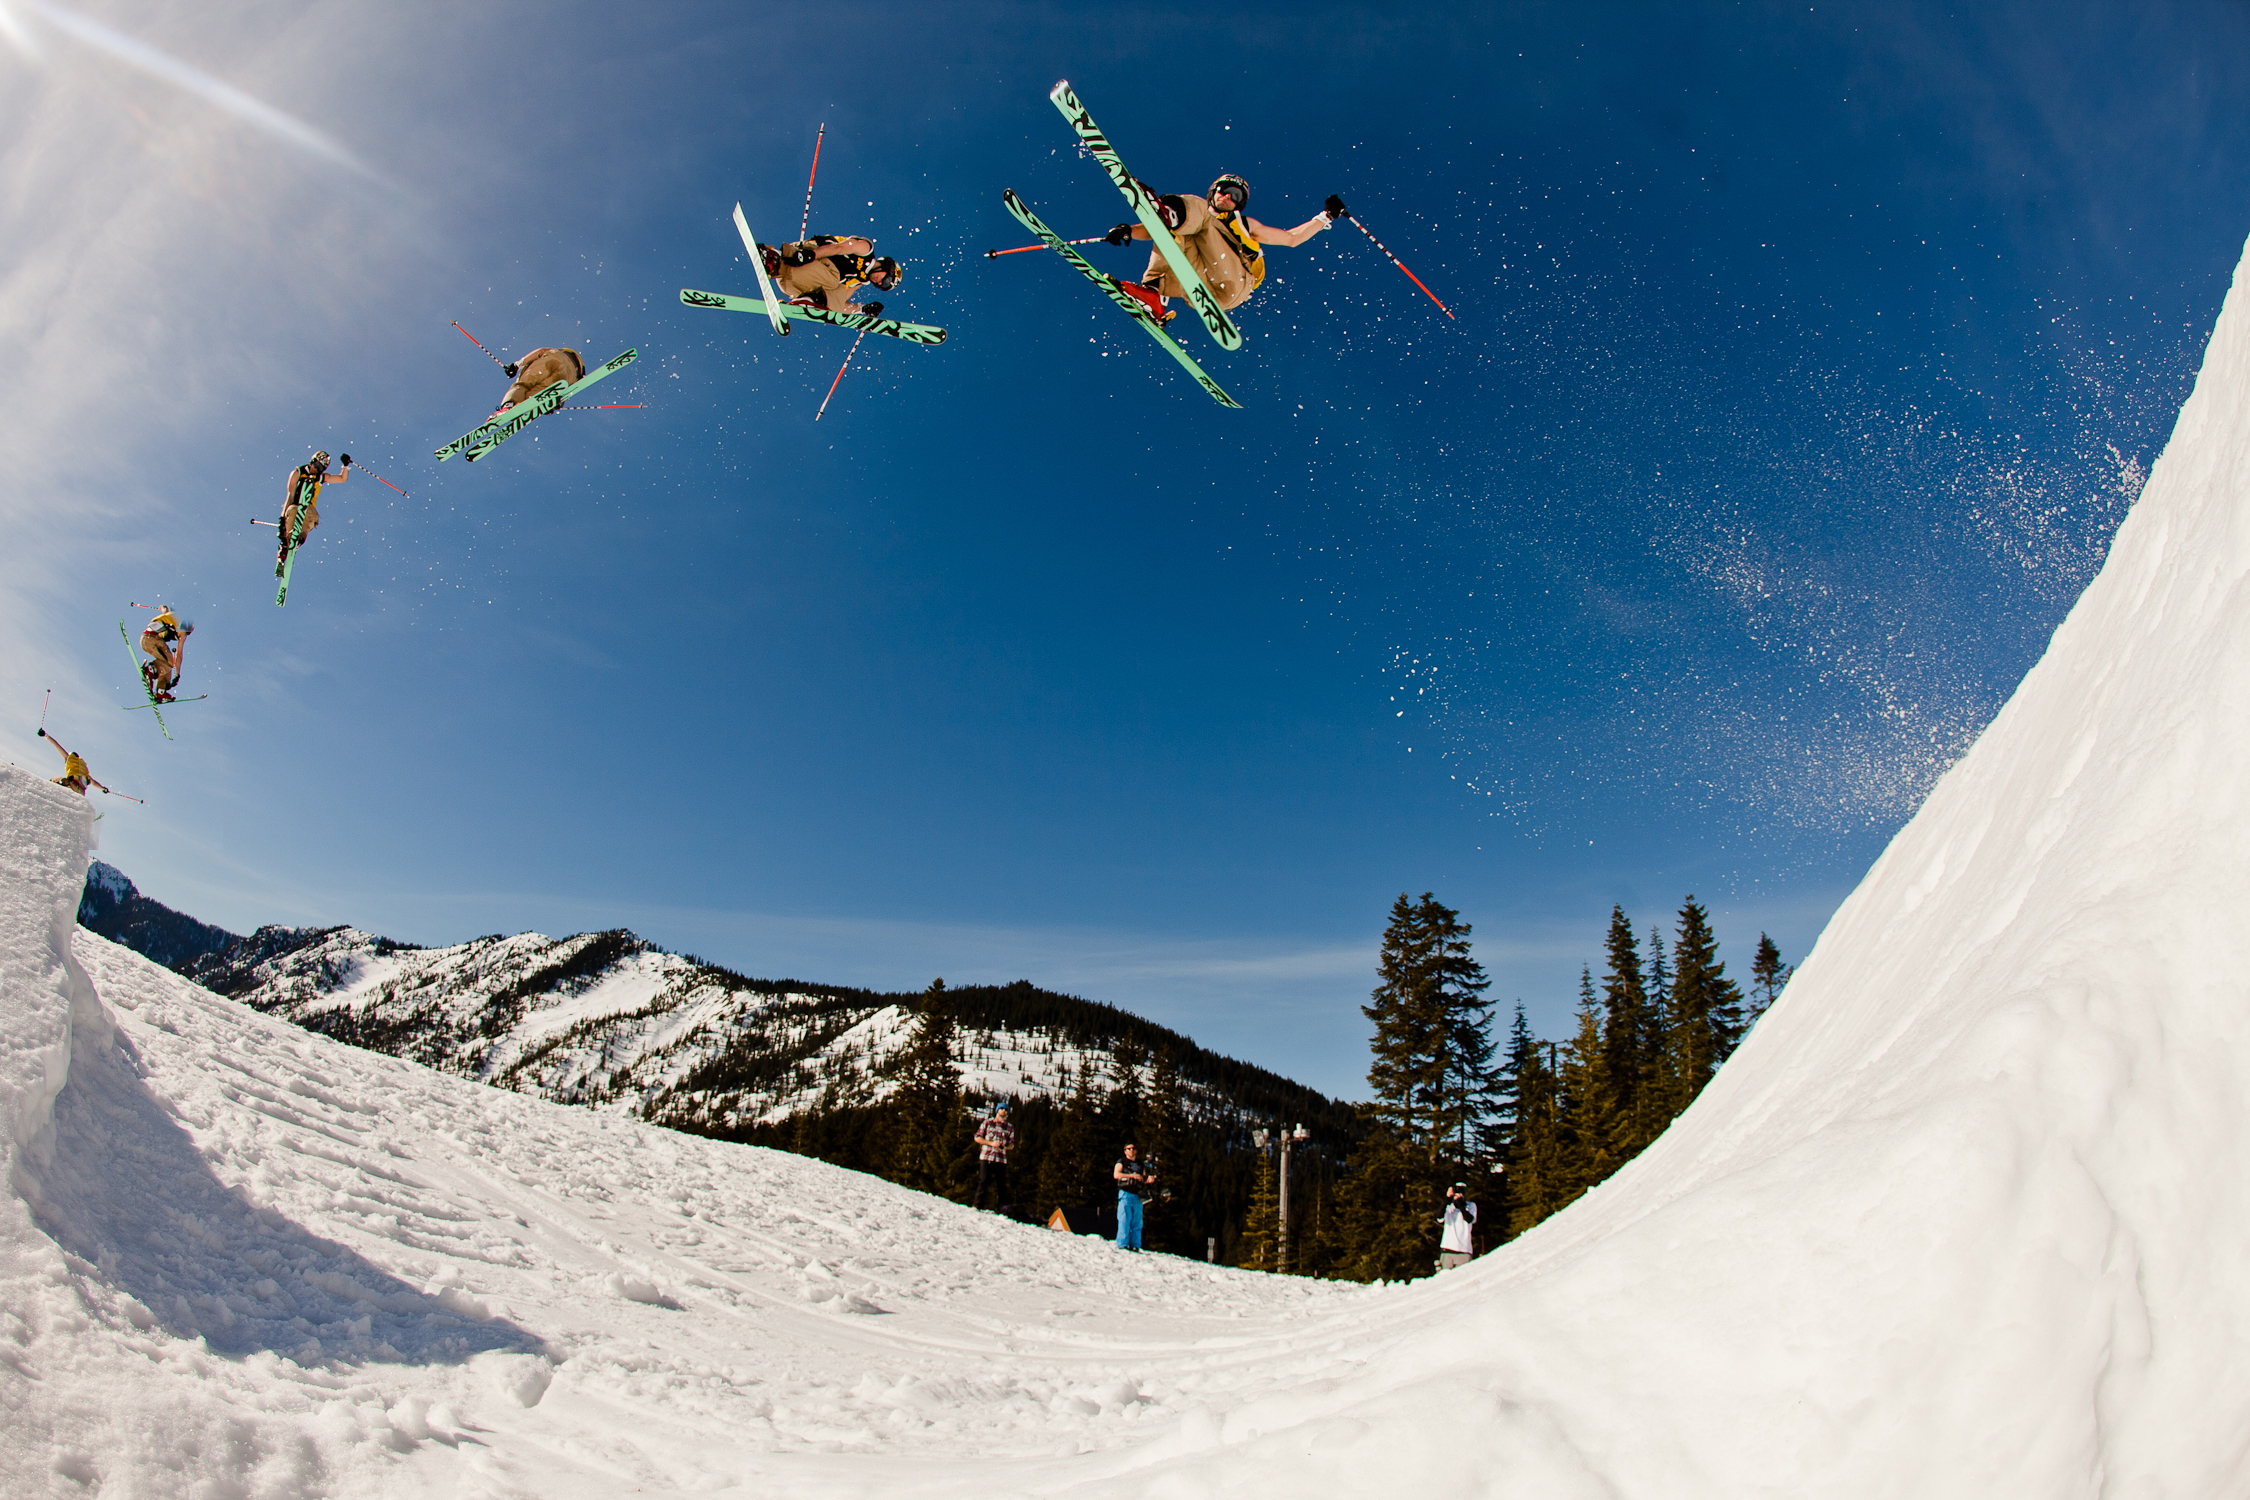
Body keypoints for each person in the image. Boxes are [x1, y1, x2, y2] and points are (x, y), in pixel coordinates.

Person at [1102, 177, 1347, 322]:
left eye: (1236, 196)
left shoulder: (1242, 225)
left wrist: (1325, 216)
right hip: (1201, 288)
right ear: (1214, 191)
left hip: (1235, 281)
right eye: (1225, 190)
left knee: (1199, 218)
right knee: (1168, 231)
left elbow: (1291, 238)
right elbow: (1158, 231)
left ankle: (1168, 211)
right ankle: (1153, 296)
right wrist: (1129, 231)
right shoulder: (1192, 223)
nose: (1229, 197)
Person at [762, 235, 903, 317]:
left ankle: (807, 301)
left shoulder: (858, 281)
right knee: (837, 285)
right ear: (887, 267)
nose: (879, 283)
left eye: (883, 287)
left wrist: (862, 309)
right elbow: (839, 248)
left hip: (795, 280)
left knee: (838, 296)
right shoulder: (866, 250)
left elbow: (838, 303)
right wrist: (810, 255)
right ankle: (774, 258)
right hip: (808, 254)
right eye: (886, 280)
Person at [278, 450, 349, 566]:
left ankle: (297, 540)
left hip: (310, 510)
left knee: (310, 521)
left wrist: (345, 466)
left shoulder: (321, 477)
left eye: (321, 468)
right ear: (312, 461)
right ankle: (286, 545)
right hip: (295, 507)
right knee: (292, 512)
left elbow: (342, 479)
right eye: (316, 466)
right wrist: (282, 519)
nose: (317, 470)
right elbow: (290, 496)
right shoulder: (298, 473)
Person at [497, 349, 585, 412]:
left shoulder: (556, 351)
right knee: (534, 397)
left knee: (523, 385)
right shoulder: (578, 377)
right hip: (571, 376)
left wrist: (517, 364)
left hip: (554, 357)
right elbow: (565, 390)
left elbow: (540, 351)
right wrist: (554, 403)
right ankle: (541, 402)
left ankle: (509, 405)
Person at [136, 605, 191, 702]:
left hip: (145, 640)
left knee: (166, 664)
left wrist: (163, 609)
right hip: (152, 639)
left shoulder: (173, 616)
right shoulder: (183, 629)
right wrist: (177, 674)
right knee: (170, 662)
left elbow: (165, 611)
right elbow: (179, 655)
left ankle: (161, 691)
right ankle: (150, 670)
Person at [38, 729, 109, 796]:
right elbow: (94, 783)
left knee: (56, 779)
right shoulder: (86, 775)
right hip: (81, 792)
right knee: (69, 784)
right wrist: (103, 788)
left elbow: (57, 745)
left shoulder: (69, 758)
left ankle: (59, 785)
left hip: (72, 784)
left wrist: (46, 735)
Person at [972, 1103, 1015, 1211]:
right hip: (987, 1156)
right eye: (1001, 1109)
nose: (1004, 1111)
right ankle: (978, 1205)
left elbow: (1012, 1144)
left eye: (1006, 1109)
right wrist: (991, 1143)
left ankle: (1004, 1207)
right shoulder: (988, 1123)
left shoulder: (1009, 1127)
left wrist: (1004, 1147)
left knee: (1001, 1183)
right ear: (997, 1110)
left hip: (1001, 1158)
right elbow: (977, 1137)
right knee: (983, 1180)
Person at [1113, 1142, 1155, 1252]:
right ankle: (1123, 1244)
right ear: (1125, 1151)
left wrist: (1148, 1180)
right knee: (1124, 1219)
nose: (1131, 1150)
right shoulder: (1121, 1162)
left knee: (1137, 1221)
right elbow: (1116, 1175)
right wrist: (1131, 1176)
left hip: (1137, 1195)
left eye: (1133, 1148)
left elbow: (1144, 1178)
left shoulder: (1140, 1165)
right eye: (1129, 1148)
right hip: (1125, 1193)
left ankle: (1135, 1244)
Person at [1438, 1182, 1478, 1271]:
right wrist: (1447, 1199)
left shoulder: (1471, 1206)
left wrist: (1461, 1205)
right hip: (1448, 1248)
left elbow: (1469, 1219)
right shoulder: (1449, 1207)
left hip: (1464, 1250)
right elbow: (1439, 1217)